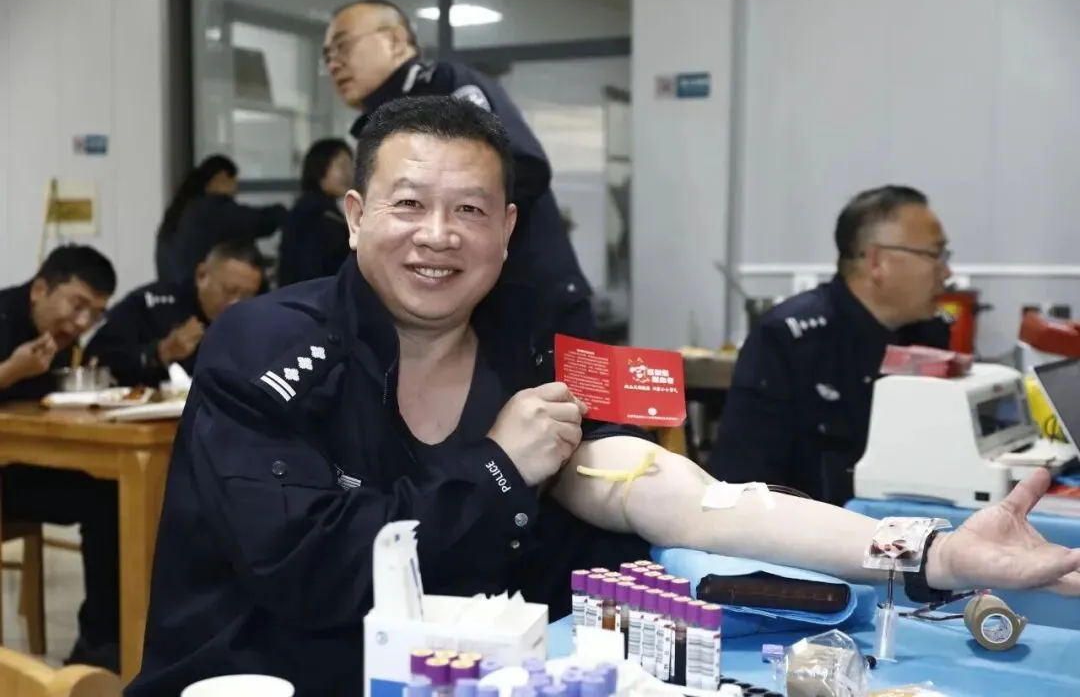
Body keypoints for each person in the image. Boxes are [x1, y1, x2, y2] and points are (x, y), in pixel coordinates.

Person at [127, 98, 1080, 697]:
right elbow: (310, 573)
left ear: (507, 231)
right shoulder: (265, 346)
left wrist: (935, 553)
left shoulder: (531, 348)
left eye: (469, 210)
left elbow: (681, 498)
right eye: (408, 203)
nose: (438, 235)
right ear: (354, 215)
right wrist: (499, 467)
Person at [323, 0, 597, 340]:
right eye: (327, 56)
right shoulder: (377, 123)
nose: (333, 63)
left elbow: (525, 166)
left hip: (530, 303)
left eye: (343, 46)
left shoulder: (445, 84)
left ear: (394, 40)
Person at [707, 185, 955, 506]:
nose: (946, 272)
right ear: (877, 261)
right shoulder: (789, 340)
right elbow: (743, 481)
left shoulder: (928, 334)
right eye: (934, 255)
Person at [0, 245, 121, 670]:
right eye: (77, 305)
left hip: (30, 464)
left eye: (95, 313)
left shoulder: (63, 341)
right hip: (8, 474)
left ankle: (104, 642)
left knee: (114, 493)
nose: (83, 322)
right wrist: (11, 371)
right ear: (39, 290)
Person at [85, 240, 265, 387]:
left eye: (247, 296)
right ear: (202, 275)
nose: (236, 304)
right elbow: (95, 360)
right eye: (229, 291)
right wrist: (160, 353)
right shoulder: (152, 304)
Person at [158, 154, 285, 285]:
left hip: (176, 290)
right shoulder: (212, 208)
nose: (236, 192)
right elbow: (257, 221)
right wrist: (283, 213)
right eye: (234, 182)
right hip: (200, 291)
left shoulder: (181, 211)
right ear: (222, 177)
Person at [276, 138, 353, 286]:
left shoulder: (318, 209)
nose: (348, 174)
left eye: (350, 167)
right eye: (342, 167)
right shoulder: (312, 215)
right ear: (320, 167)